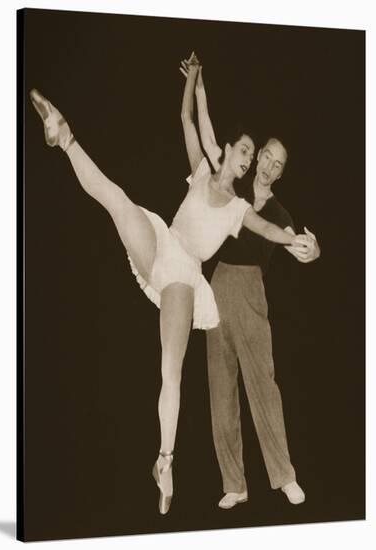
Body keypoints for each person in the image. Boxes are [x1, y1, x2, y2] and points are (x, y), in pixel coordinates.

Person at [29, 59, 308, 514]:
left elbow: (269, 230)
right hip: (161, 241)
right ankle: (64, 136)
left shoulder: (239, 209)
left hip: (183, 275)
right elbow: (189, 118)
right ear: (231, 149)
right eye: (243, 149)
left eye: (250, 155)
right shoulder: (201, 169)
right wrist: (195, 81)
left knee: (171, 368)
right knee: (118, 200)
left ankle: (164, 461)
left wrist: (295, 238)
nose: (245, 158)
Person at [181, 57, 320, 509]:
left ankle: (283, 477)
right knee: (221, 388)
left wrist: (312, 247)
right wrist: (199, 87)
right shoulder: (234, 183)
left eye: (279, 166)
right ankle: (235, 484)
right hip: (217, 285)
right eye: (267, 158)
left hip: (252, 292)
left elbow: (295, 244)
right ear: (255, 157)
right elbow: (205, 130)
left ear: (279, 173)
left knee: (263, 383)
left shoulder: (279, 214)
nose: (270, 167)